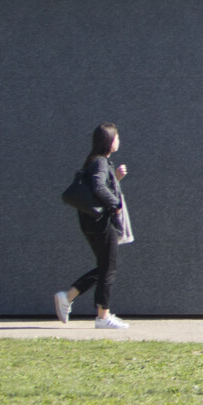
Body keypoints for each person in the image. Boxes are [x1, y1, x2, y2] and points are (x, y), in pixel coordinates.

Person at [55, 122, 132, 329]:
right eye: (117, 137)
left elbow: (99, 186)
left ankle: (68, 296)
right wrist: (115, 204)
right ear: (109, 141)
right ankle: (102, 316)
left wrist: (116, 178)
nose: (119, 141)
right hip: (101, 223)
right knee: (109, 269)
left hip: (91, 222)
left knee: (104, 267)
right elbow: (98, 187)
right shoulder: (100, 162)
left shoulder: (97, 162)